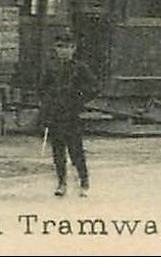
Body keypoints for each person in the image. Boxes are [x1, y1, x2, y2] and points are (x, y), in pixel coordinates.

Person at [38, 31, 97, 197]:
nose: (63, 51)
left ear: (74, 49)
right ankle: (61, 182)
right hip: (56, 115)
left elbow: (93, 87)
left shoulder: (80, 68)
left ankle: (84, 182)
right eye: (60, 47)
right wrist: (49, 102)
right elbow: (42, 89)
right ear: (55, 49)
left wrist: (78, 98)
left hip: (71, 115)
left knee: (76, 150)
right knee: (58, 151)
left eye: (67, 47)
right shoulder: (51, 68)